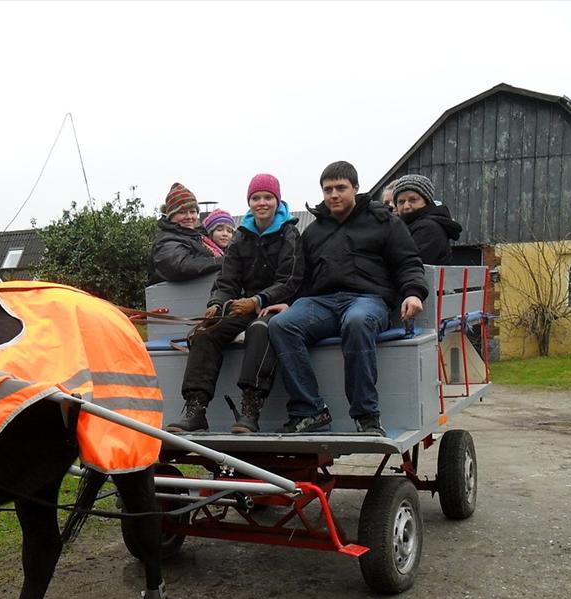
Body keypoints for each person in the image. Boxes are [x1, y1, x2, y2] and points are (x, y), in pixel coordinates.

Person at [267, 161, 427, 436]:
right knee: (282, 324)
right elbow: (301, 277)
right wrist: (289, 302)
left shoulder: (384, 222)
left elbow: (408, 262)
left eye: (340, 188)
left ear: (355, 188)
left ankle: (366, 416)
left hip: (368, 299)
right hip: (322, 302)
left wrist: (413, 293)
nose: (333, 195)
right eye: (327, 189)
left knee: (356, 321)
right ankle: (310, 410)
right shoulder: (314, 231)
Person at [167, 174, 303, 434]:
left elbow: (291, 280)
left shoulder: (290, 234)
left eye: (267, 197)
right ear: (249, 201)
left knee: (261, 330)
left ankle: (251, 410)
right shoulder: (241, 236)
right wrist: (217, 304)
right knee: (204, 332)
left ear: (277, 201)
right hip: (245, 304)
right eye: (256, 198)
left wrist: (257, 301)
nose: (261, 202)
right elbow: (227, 279)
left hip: (279, 305)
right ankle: (196, 410)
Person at [148, 182, 223, 283]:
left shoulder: (199, 236)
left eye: (192, 212)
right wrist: (223, 261)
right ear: (171, 216)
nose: (189, 217)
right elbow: (180, 266)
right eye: (182, 212)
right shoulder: (166, 241)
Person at [392, 173, 462, 264]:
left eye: (413, 200)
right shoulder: (401, 226)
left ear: (426, 201)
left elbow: (408, 264)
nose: (406, 206)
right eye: (401, 202)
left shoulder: (429, 228)